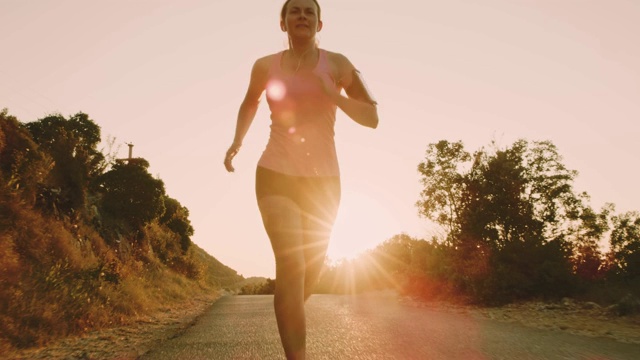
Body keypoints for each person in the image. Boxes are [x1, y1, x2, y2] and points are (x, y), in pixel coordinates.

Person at [224, 0, 378, 358]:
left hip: (324, 183)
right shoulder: (265, 66)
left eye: (309, 12)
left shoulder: (339, 64)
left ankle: (288, 303)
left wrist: (334, 97)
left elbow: (372, 117)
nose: (302, 16)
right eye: (295, 11)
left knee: (308, 275)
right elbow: (249, 103)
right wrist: (237, 141)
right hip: (275, 173)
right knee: (291, 266)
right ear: (283, 23)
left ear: (320, 24)